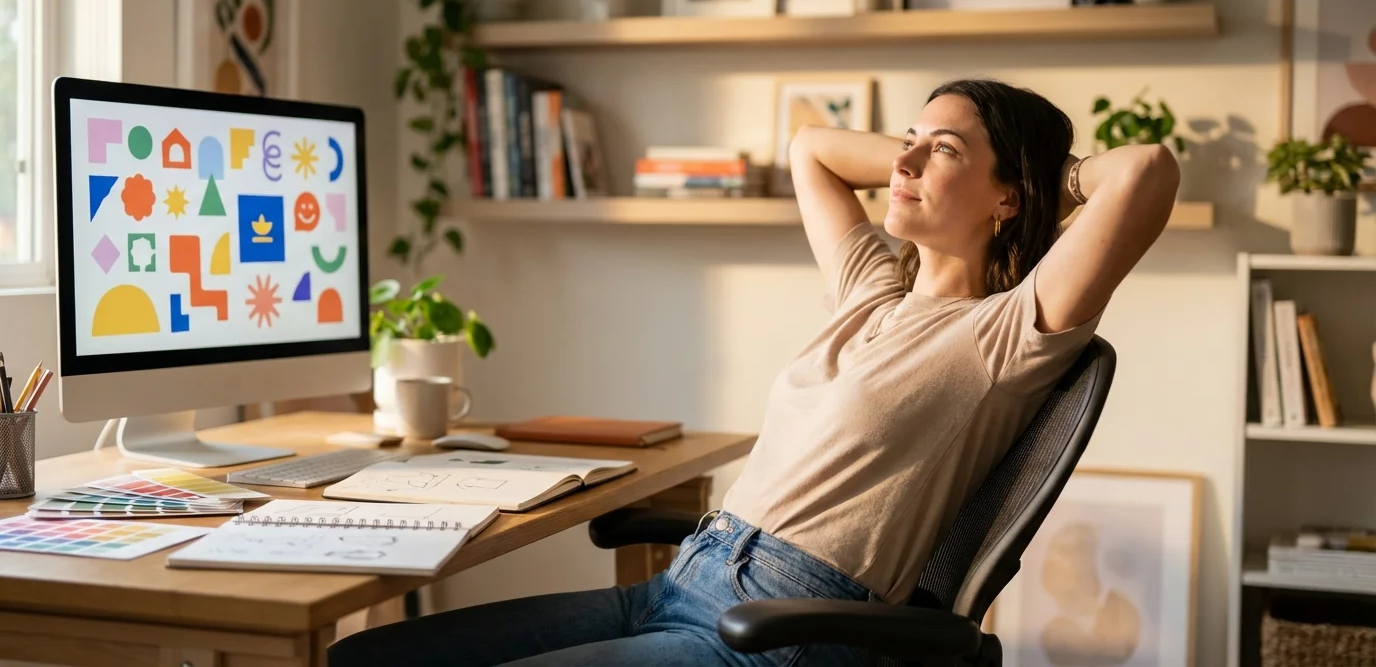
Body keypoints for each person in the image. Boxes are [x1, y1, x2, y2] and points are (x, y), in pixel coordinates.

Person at [327, 78, 1180, 667]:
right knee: (369, 655)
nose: (905, 164)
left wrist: (1042, 173)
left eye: (941, 151)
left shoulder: (1006, 334)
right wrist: (942, 148)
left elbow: (1145, 171)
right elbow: (809, 147)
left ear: (1009, 199)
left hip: (786, 628)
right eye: (905, 144)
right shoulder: (872, 290)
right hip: (689, 580)